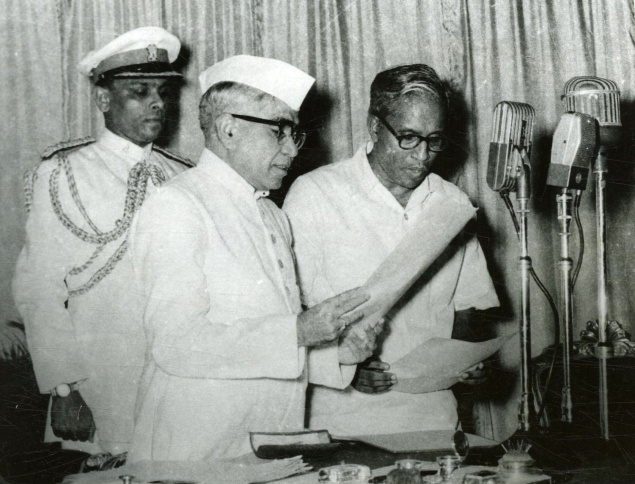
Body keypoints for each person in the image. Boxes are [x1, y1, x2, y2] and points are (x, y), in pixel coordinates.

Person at [127, 55, 379, 462]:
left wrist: (337, 352)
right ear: (229, 129)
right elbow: (176, 344)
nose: (293, 148)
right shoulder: (178, 205)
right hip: (196, 453)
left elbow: (266, 348)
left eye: (295, 134)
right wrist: (298, 331)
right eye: (280, 131)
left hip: (268, 446)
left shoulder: (272, 216)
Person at [283, 64, 500, 436]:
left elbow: (468, 307)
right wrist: (344, 368)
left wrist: (468, 361)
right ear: (374, 126)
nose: (423, 156)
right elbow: (287, 316)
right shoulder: (314, 194)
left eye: (435, 140)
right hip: (340, 420)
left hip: (435, 420)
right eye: (409, 138)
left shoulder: (451, 202)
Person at [12, 27, 193, 455]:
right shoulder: (64, 173)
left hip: (181, 380)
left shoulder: (184, 176)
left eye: (163, 91)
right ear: (104, 99)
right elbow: (40, 289)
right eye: (139, 90)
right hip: (103, 383)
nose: (157, 102)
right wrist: (63, 389)